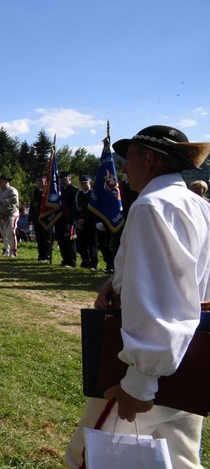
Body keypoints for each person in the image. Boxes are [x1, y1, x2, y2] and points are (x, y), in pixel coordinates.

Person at [65, 125, 210, 468]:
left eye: (127, 158)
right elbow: (186, 277)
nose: (123, 168)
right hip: (192, 356)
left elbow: (164, 299)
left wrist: (139, 383)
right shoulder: (199, 206)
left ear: (150, 160)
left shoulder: (152, 206)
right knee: (179, 459)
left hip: (153, 371)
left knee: (89, 457)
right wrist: (118, 282)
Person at [74, 175, 98, 271]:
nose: (83, 185)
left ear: (90, 183)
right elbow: (75, 208)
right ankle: (85, 261)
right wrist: (78, 220)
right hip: (80, 223)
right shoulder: (79, 195)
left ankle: (93, 263)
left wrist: (85, 220)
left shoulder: (93, 194)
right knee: (82, 244)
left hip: (91, 222)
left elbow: (94, 210)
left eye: (85, 183)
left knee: (92, 244)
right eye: (82, 183)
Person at [56, 171, 78, 267]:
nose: (63, 182)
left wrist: (71, 222)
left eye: (65, 180)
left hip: (69, 219)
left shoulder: (74, 190)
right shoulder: (58, 190)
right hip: (59, 219)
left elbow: (74, 207)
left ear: (70, 179)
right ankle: (65, 259)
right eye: (61, 180)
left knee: (70, 241)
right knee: (61, 240)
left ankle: (72, 261)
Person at [0, 175, 19, 257]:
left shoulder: (12, 190)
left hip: (11, 214)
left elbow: (15, 200)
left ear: (6, 181)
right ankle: (6, 251)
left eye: (1, 181)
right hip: (2, 216)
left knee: (10, 233)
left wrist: (3, 201)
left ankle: (13, 252)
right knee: (4, 234)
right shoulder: (0, 192)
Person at [30, 175, 51, 261]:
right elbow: (32, 205)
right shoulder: (35, 192)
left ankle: (47, 255)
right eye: (38, 181)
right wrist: (30, 218)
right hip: (36, 218)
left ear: (45, 181)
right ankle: (41, 255)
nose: (40, 182)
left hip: (45, 218)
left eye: (41, 180)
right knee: (39, 237)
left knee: (46, 237)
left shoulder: (48, 191)